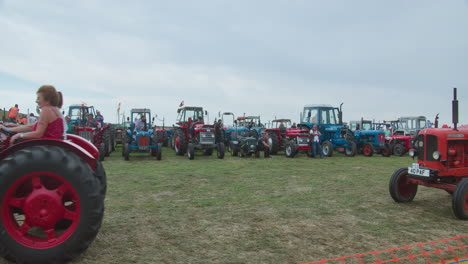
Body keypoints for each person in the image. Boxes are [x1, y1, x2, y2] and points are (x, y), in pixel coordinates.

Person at [0, 85, 65, 144]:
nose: (36, 101)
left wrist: (20, 135)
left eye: (39, 98)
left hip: (45, 144)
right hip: (51, 143)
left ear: (47, 100)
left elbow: (38, 133)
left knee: (15, 140)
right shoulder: (55, 111)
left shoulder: (46, 110)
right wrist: (8, 129)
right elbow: (30, 126)